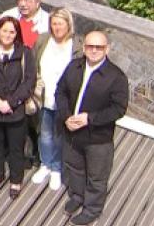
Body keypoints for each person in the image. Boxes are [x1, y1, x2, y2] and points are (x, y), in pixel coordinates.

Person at [56, 31, 128, 225]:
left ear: (107, 49)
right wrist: (66, 116)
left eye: (99, 47)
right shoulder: (74, 67)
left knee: (97, 177)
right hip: (72, 132)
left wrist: (89, 118)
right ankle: (78, 196)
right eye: (90, 46)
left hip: (98, 138)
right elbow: (60, 92)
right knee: (75, 168)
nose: (94, 50)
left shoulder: (116, 77)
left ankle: (92, 209)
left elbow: (118, 109)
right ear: (84, 47)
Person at [0, 16, 36, 200]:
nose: (8, 35)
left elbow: (29, 82)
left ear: (17, 34)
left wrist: (11, 103)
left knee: (16, 148)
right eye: (4, 30)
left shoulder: (25, 54)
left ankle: (16, 180)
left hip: (15, 111)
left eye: (12, 31)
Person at [31, 8, 79, 191]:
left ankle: (56, 168)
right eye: (54, 23)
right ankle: (45, 164)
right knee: (44, 133)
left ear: (68, 25)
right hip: (43, 95)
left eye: (60, 23)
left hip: (64, 100)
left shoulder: (75, 46)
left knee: (60, 136)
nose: (57, 27)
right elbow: (33, 64)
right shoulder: (43, 40)